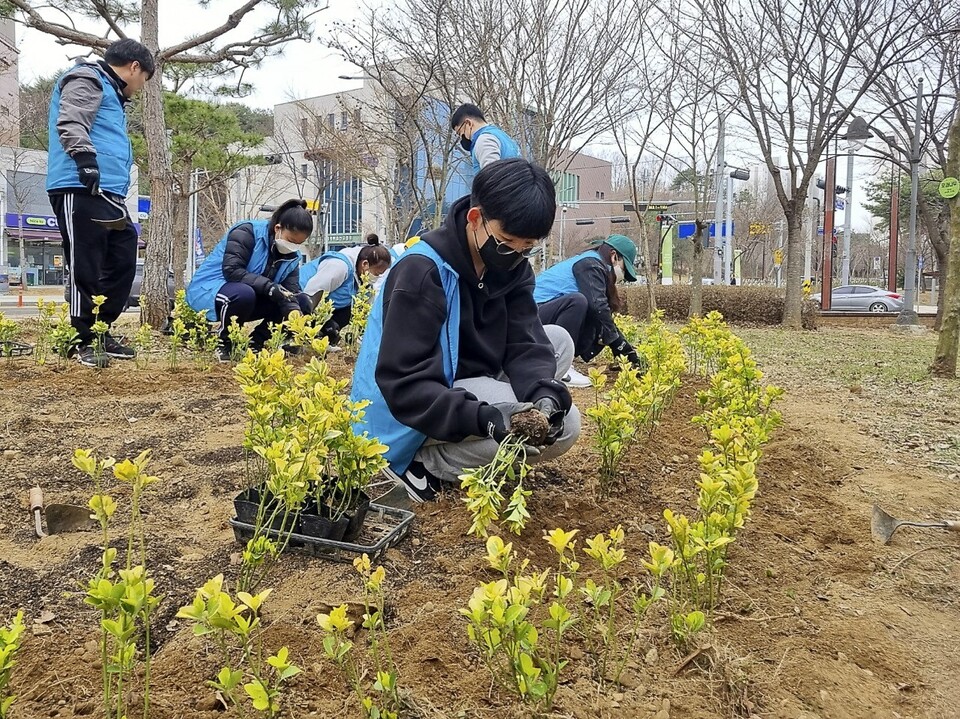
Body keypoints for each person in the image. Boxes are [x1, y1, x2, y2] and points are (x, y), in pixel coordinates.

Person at [351, 157, 581, 502]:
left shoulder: (512, 266)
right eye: (506, 242)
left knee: (558, 344)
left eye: (527, 247)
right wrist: (486, 418)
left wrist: (543, 397)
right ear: (475, 219)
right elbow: (404, 385)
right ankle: (425, 463)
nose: (516, 254)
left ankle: (475, 430)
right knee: (572, 426)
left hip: (466, 377)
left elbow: (524, 340)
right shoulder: (422, 272)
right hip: (405, 408)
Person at [46, 39, 154, 368]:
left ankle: (100, 329)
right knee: (86, 263)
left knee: (123, 254)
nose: (140, 87)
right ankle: (82, 340)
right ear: (134, 67)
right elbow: (72, 120)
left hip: (108, 191)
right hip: (79, 185)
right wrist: (85, 159)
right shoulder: (87, 79)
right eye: (144, 79)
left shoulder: (112, 93)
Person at [186, 199, 314, 361]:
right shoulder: (247, 232)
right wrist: (269, 287)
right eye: (291, 240)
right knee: (244, 292)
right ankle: (225, 343)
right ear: (278, 228)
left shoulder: (292, 258)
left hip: (250, 297)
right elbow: (232, 271)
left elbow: (290, 291)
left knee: (301, 300)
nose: (293, 247)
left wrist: (294, 312)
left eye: (299, 244)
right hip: (213, 291)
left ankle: (256, 342)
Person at [534, 235, 645, 387]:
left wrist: (624, 349)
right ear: (614, 256)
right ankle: (562, 368)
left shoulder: (593, 263)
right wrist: (618, 343)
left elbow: (601, 314)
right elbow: (597, 307)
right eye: (625, 270)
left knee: (590, 312)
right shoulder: (590, 264)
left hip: (541, 315)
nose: (623, 276)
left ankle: (563, 363)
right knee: (578, 302)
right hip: (530, 316)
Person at [300, 244, 393, 346]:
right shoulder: (339, 267)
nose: (377, 278)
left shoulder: (366, 284)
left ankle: (324, 342)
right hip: (302, 298)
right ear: (365, 264)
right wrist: (324, 322)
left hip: (326, 308)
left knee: (349, 311)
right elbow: (311, 294)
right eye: (376, 274)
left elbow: (366, 314)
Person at [451, 103, 521, 175]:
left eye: (460, 132)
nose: (461, 137)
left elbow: (492, 178)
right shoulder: (503, 137)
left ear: (468, 123)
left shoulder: (484, 140)